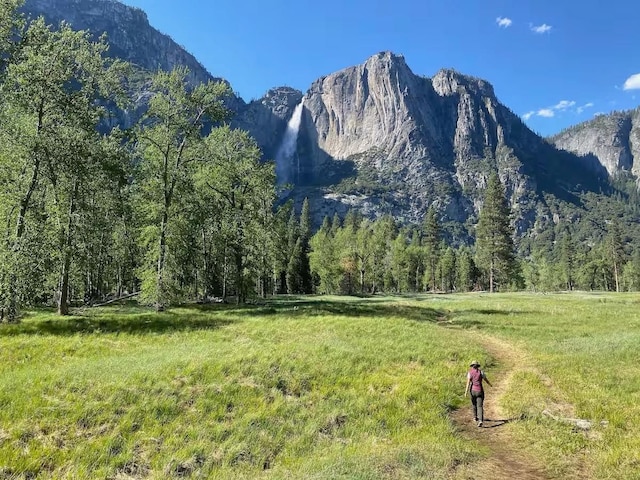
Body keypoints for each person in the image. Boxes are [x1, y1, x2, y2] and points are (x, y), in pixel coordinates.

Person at [464, 360, 492, 427]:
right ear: (477, 366)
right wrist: (490, 384)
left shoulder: (470, 373)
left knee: (474, 404)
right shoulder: (481, 372)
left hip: (472, 391)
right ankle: (480, 420)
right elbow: (486, 379)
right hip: (479, 390)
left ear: (472, 366)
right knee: (480, 406)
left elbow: (468, 383)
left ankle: (475, 417)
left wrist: (466, 392)